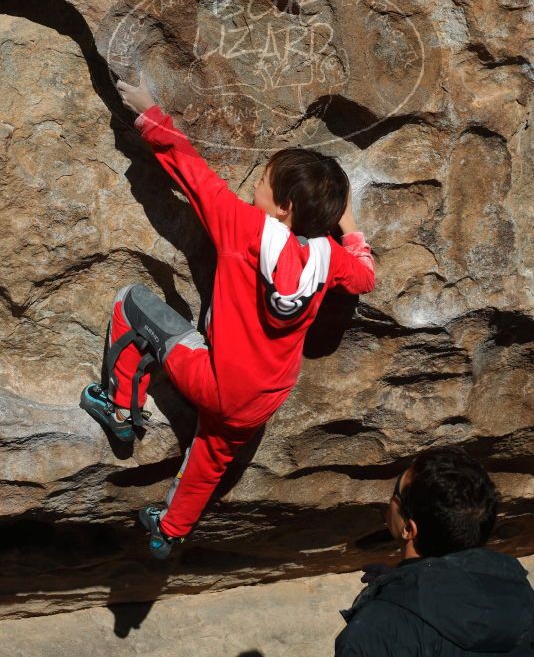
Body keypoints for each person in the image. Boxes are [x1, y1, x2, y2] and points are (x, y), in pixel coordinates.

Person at [80, 72, 376, 558]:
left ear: (282, 208)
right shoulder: (330, 258)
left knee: (131, 303)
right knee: (213, 453)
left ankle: (117, 407)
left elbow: (191, 172)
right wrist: (350, 228)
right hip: (263, 398)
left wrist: (149, 111)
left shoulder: (242, 226)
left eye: (261, 182)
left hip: (216, 381)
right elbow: (366, 276)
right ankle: (170, 530)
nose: (253, 186)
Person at [335, 446, 534, 656]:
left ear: (409, 529)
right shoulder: (521, 598)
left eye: (395, 494)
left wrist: (392, 598)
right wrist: (400, 584)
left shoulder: (372, 633)